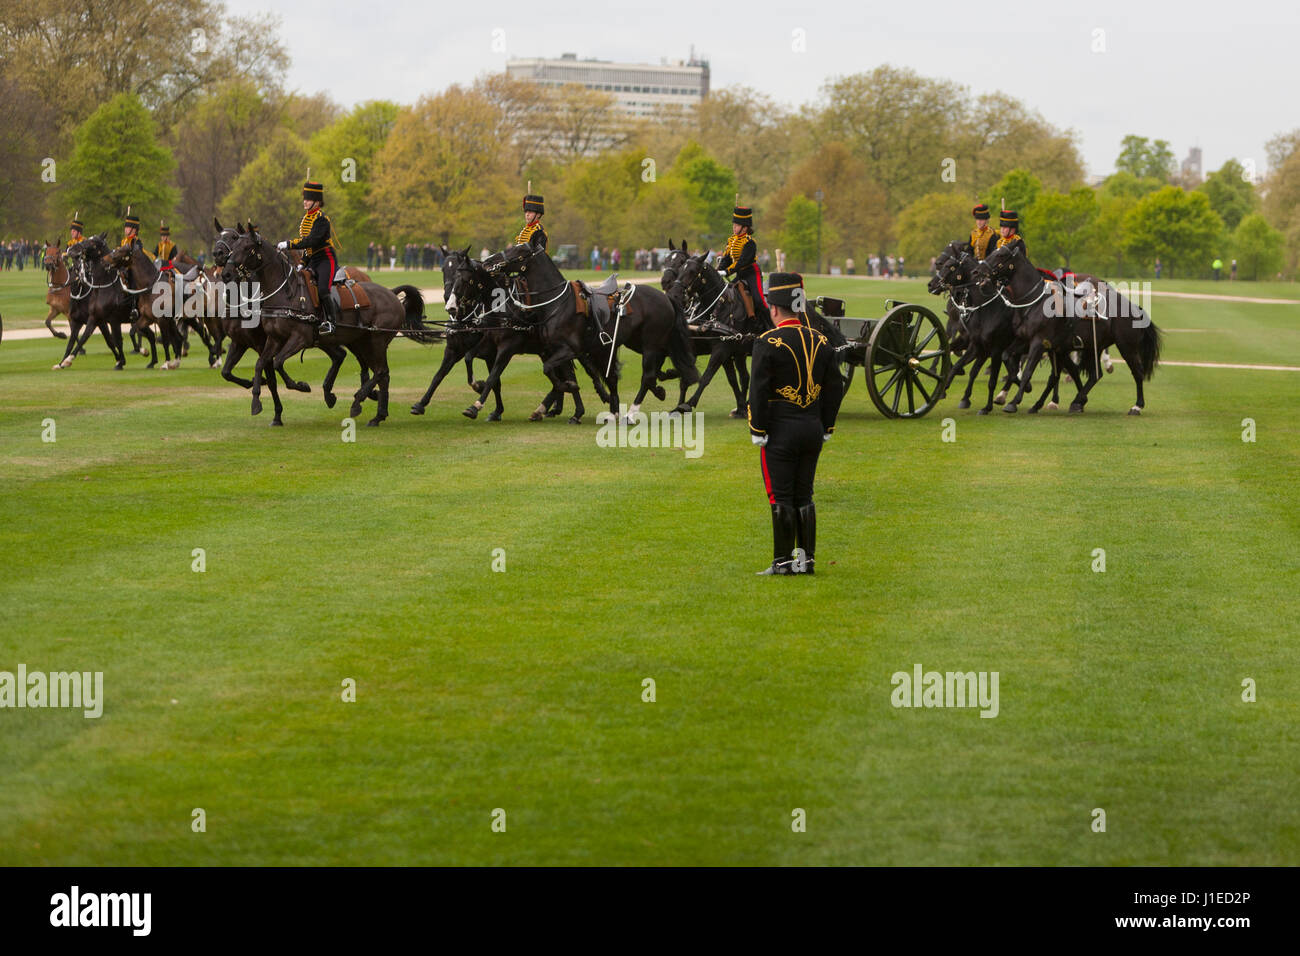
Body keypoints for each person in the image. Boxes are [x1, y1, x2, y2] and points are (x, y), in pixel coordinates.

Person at [747, 273, 844, 576]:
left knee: (780, 496)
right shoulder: (823, 340)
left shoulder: (767, 342)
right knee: (805, 495)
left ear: (774, 309)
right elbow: (836, 387)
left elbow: (758, 392)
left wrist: (758, 430)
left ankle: (783, 562)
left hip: (780, 431)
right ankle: (806, 561)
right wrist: (826, 426)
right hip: (812, 428)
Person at [277, 178, 343, 335]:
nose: (305, 202)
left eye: (309, 199)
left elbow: (312, 240)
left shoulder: (322, 219)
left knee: (322, 290)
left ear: (317, 202)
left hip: (326, 259)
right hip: (312, 260)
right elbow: (308, 246)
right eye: (305, 199)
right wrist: (303, 262)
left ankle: (331, 323)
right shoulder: (306, 218)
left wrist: (289, 244)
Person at [717, 204, 770, 326]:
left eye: (737, 225)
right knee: (727, 294)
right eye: (733, 225)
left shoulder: (750, 242)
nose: (734, 228)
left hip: (752, 273)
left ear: (745, 228)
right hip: (740, 274)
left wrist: (727, 272)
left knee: (759, 300)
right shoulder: (731, 241)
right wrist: (719, 270)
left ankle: (770, 326)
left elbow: (743, 261)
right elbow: (726, 259)